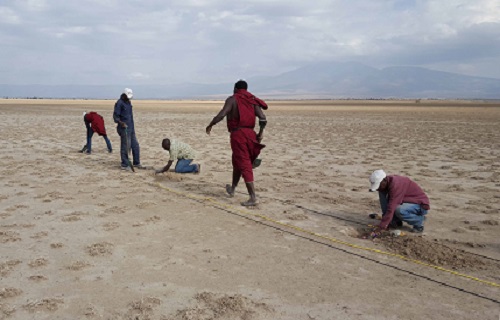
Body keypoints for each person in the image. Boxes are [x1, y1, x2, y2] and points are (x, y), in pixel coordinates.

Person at [206, 80, 267, 206]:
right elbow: (263, 118)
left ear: (235, 88)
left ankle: (253, 197)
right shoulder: (252, 99)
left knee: (244, 163)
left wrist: (211, 124)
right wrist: (260, 133)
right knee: (237, 162)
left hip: (238, 135)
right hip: (251, 134)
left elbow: (222, 114)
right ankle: (232, 189)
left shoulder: (232, 99)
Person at [368, 169, 430, 237]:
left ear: (384, 180)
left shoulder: (396, 184)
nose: (378, 188)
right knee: (385, 197)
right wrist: (386, 222)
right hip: (405, 202)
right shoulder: (383, 186)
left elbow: (391, 207)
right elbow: (385, 206)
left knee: (399, 210)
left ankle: (419, 222)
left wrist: (382, 227)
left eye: (378, 185)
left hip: (420, 205)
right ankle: (395, 222)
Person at [113, 88, 144, 170]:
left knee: (135, 145)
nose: (129, 98)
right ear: (124, 95)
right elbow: (115, 117)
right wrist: (121, 122)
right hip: (124, 128)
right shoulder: (119, 103)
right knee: (125, 146)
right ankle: (124, 164)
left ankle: (136, 163)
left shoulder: (128, 102)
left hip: (131, 127)